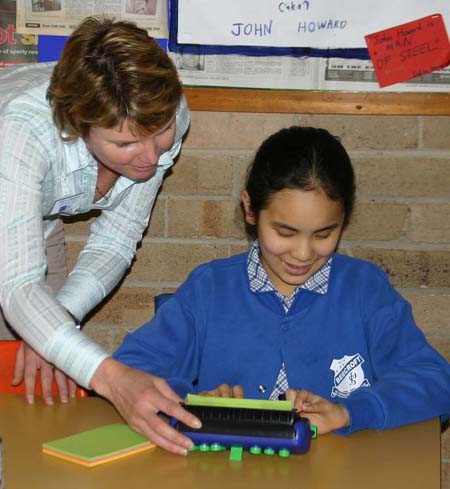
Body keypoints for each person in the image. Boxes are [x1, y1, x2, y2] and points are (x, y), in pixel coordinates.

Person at [114, 126, 450, 437]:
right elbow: (130, 369)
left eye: (324, 233)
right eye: (285, 232)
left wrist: (350, 412)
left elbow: (436, 382)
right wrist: (195, 402)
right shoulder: (210, 289)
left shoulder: (365, 290)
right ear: (250, 210)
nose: (303, 254)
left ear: (343, 219)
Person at [0, 16, 200, 455]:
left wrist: (57, 321)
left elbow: (116, 240)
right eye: (125, 145)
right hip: (8, 172)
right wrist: (113, 379)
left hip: (36, 210)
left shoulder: (163, 111)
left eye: (161, 133)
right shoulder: (22, 133)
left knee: (42, 361)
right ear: (77, 125)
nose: (151, 157)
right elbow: (17, 288)